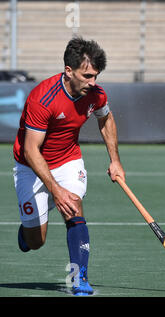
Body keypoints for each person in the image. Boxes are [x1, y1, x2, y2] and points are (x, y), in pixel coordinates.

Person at [13, 37, 125, 296]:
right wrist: (55, 189)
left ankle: (79, 279)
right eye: (87, 76)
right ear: (68, 71)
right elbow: (31, 150)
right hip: (30, 165)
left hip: (67, 159)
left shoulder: (95, 94)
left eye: (96, 76)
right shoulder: (42, 99)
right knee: (35, 241)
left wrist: (115, 160)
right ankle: (28, 230)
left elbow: (106, 120)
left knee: (73, 204)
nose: (93, 82)